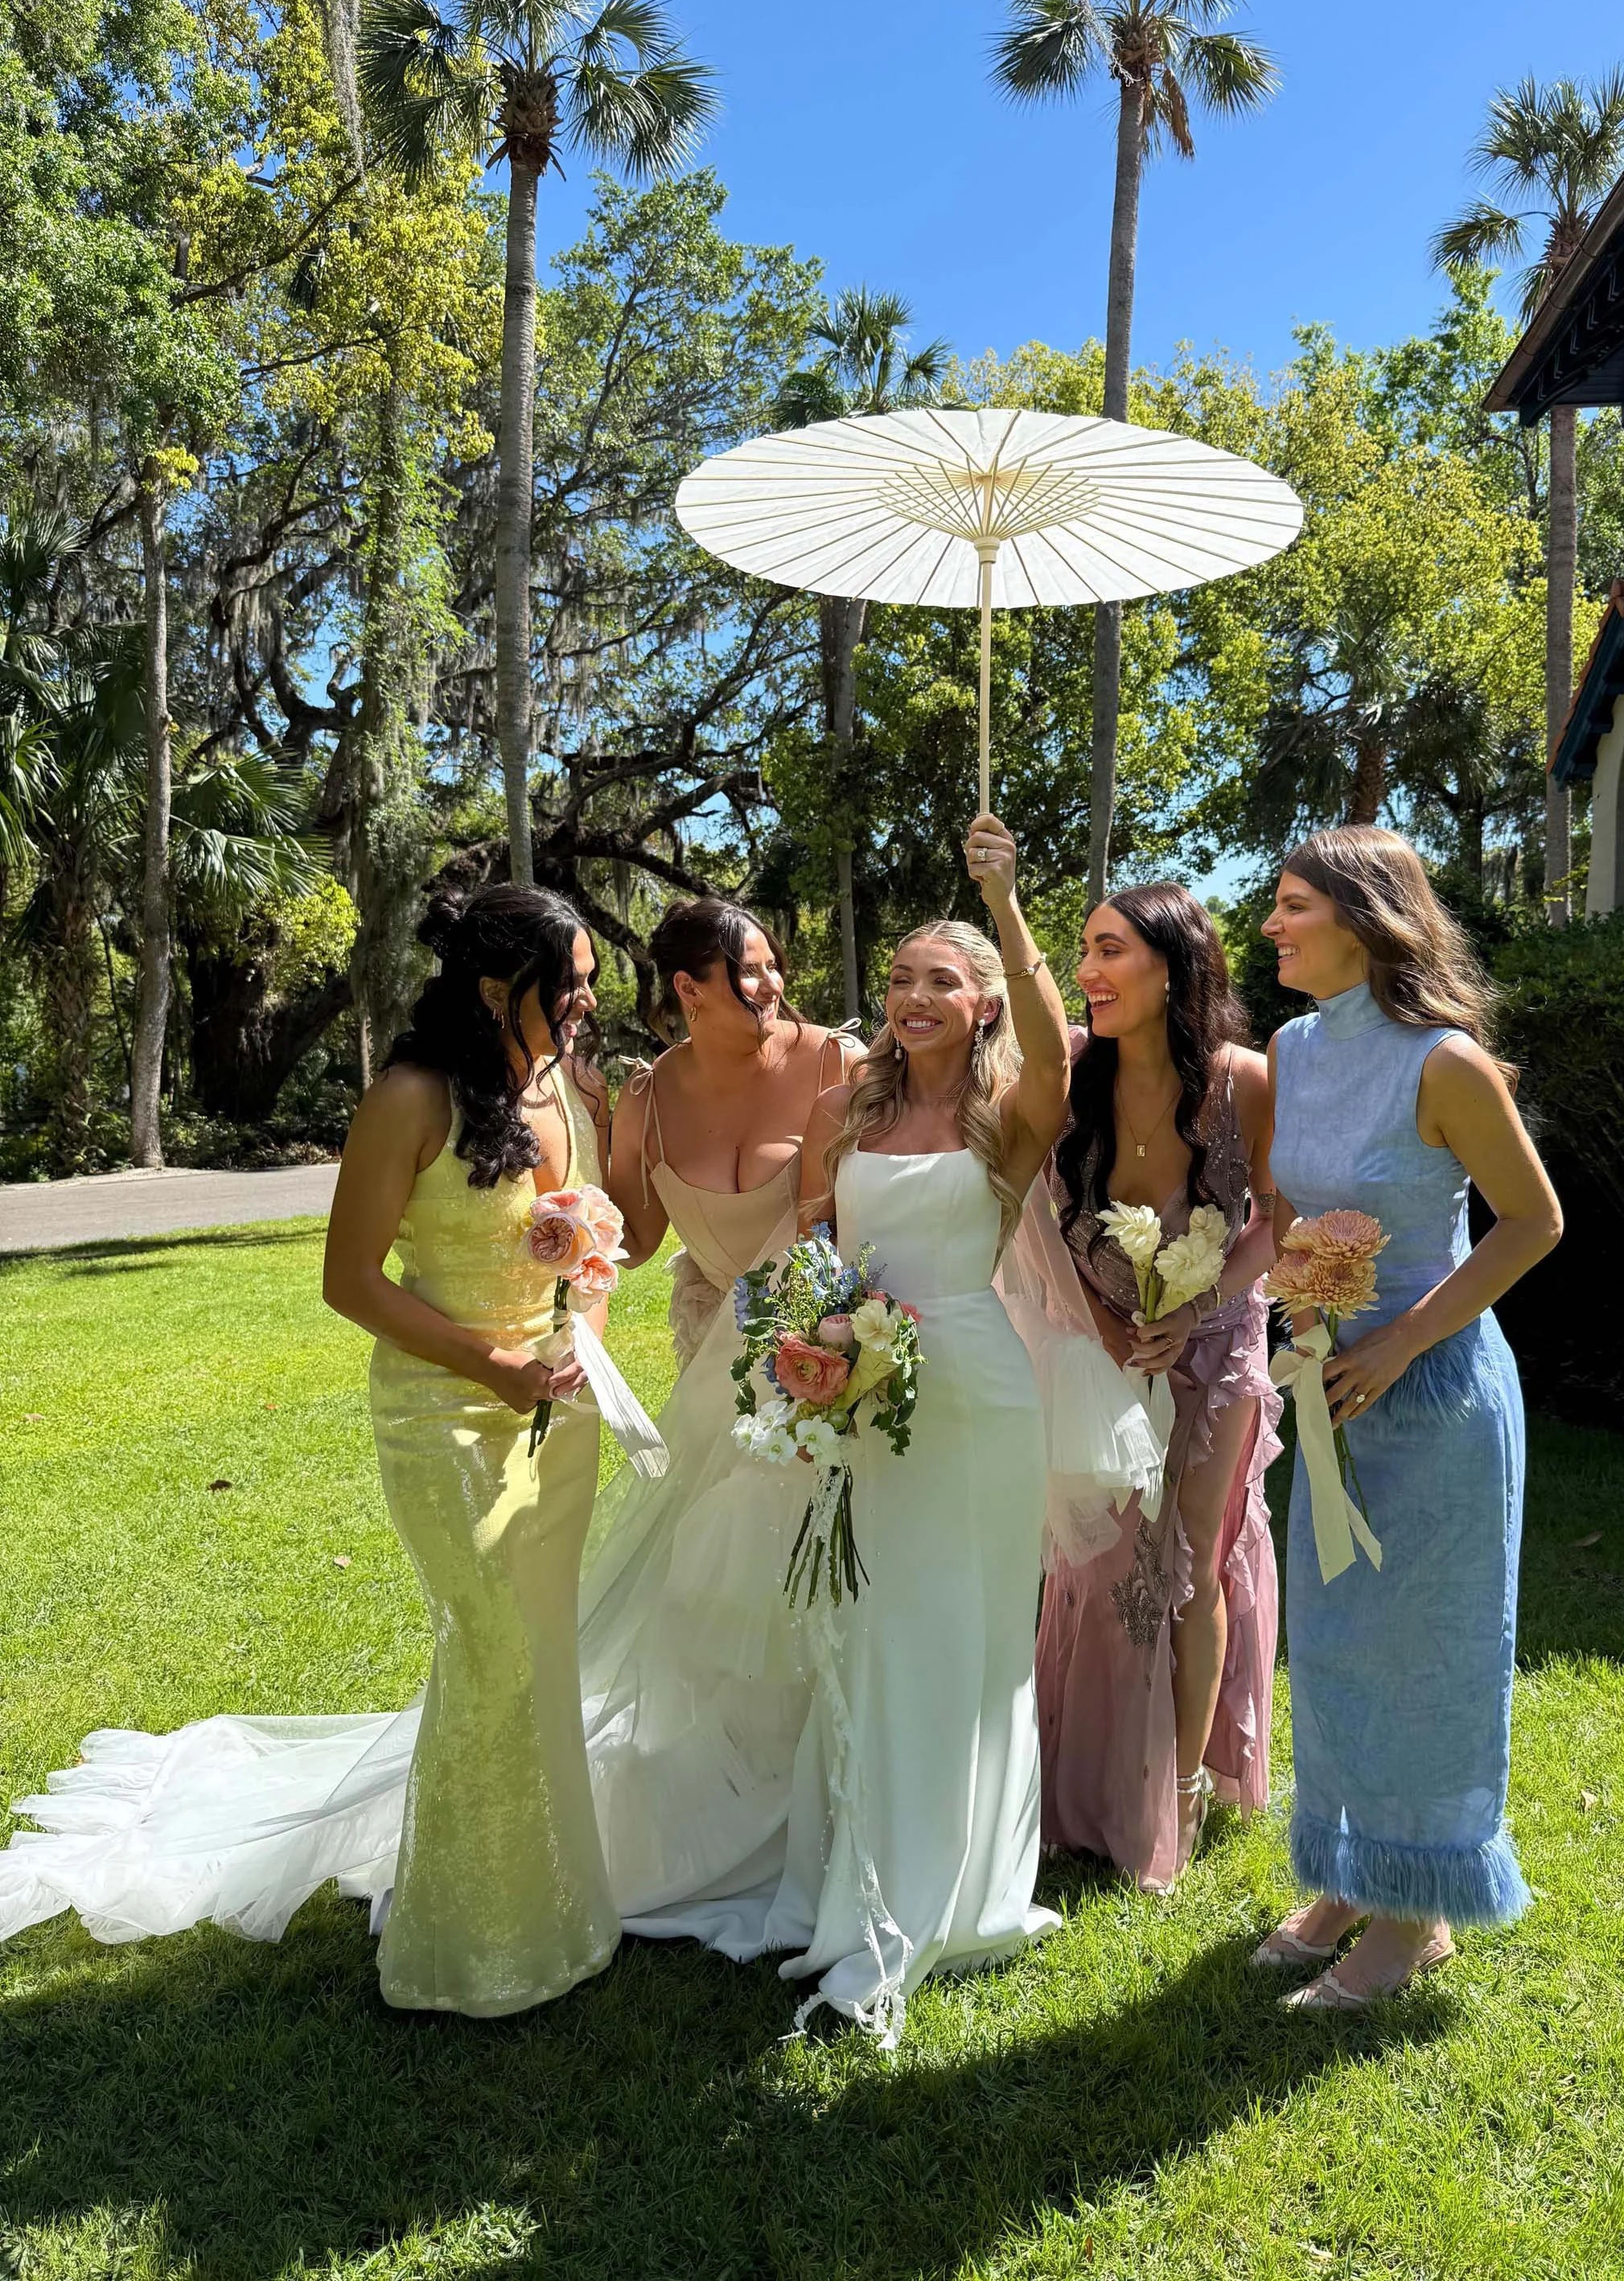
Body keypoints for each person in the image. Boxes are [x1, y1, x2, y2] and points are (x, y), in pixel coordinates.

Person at [0, 887, 627, 2020]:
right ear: (496, 987)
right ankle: (468, 1949)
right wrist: (494, 1367)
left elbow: (579, 1231)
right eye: (570, 979)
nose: (588, 998)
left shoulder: (568, 1086)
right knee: (489, 1654)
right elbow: (351, 1281)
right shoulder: (408, 1097)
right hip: (447, 1419)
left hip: (558, 1414)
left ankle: (558, 1910)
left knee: (541, 1655)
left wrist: (579, 1294)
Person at [574, 814, 1075, 2041]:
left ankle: (958, 1893)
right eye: (899, 977)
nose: (910, 997)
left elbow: (1060, 1053)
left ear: (985, 1005)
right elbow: (813, 1250)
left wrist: (1003, 908)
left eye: (939, 982)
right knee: (870, 1638)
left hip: (974, 1399)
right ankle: (854, 1878)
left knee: (964, 1644)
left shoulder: (1005, 1122)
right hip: (857, 1394)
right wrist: (811, 1354)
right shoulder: (852, 1109)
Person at [1253, 827, 1561, 2009]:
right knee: (1333, 1643)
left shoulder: (1444, 1064)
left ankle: (1416, 1914)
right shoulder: (1287, 1046)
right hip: (1328, 1385)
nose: (1272, 926)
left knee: (1423, 1648)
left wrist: (1396, 1338)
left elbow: (1532, 1223)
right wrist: (1305, 1310)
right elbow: (1294, 1200)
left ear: (1365, 917)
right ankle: (1348, 1871)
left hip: (1429, 1391)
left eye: (1291, 906)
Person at [1035, 885, 1281, 1892]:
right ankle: (1080, 1782)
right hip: (1100, 1346)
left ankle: (1177, 1794)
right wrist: (1105, 1326)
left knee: (1189, 1560)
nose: (1088, 972)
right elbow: (1047, 1222)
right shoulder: (1071, 1082)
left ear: (1173, 968)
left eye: (1109, 951)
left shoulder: (1247, 1082)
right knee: (1099, 1564)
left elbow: (1274, 1220)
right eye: (1083, 951)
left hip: (1218, 1348)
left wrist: (1199, 1305)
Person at [607, 898, 862, 1368]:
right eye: (750, 971)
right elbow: (633, 1242)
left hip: (838, 1347)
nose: (772, 986)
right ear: (688, 987)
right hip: (719, 1356)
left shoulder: (840, 1063)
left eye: (773, 967)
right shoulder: (646, 1102)